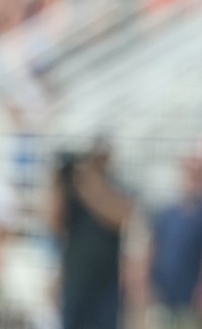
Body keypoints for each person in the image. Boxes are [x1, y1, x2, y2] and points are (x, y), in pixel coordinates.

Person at [47, 139, 133, 329]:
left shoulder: (116, 186)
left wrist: (91, 186)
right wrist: (58, 182)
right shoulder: (73, 191)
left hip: (105, 285)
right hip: (75, 281)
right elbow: (53, 222)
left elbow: (120, 218)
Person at [147, 157, 202, 329]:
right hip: (166, 289)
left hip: (192, 293)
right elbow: (155, 248)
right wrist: (149, 282)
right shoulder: (167, 213)